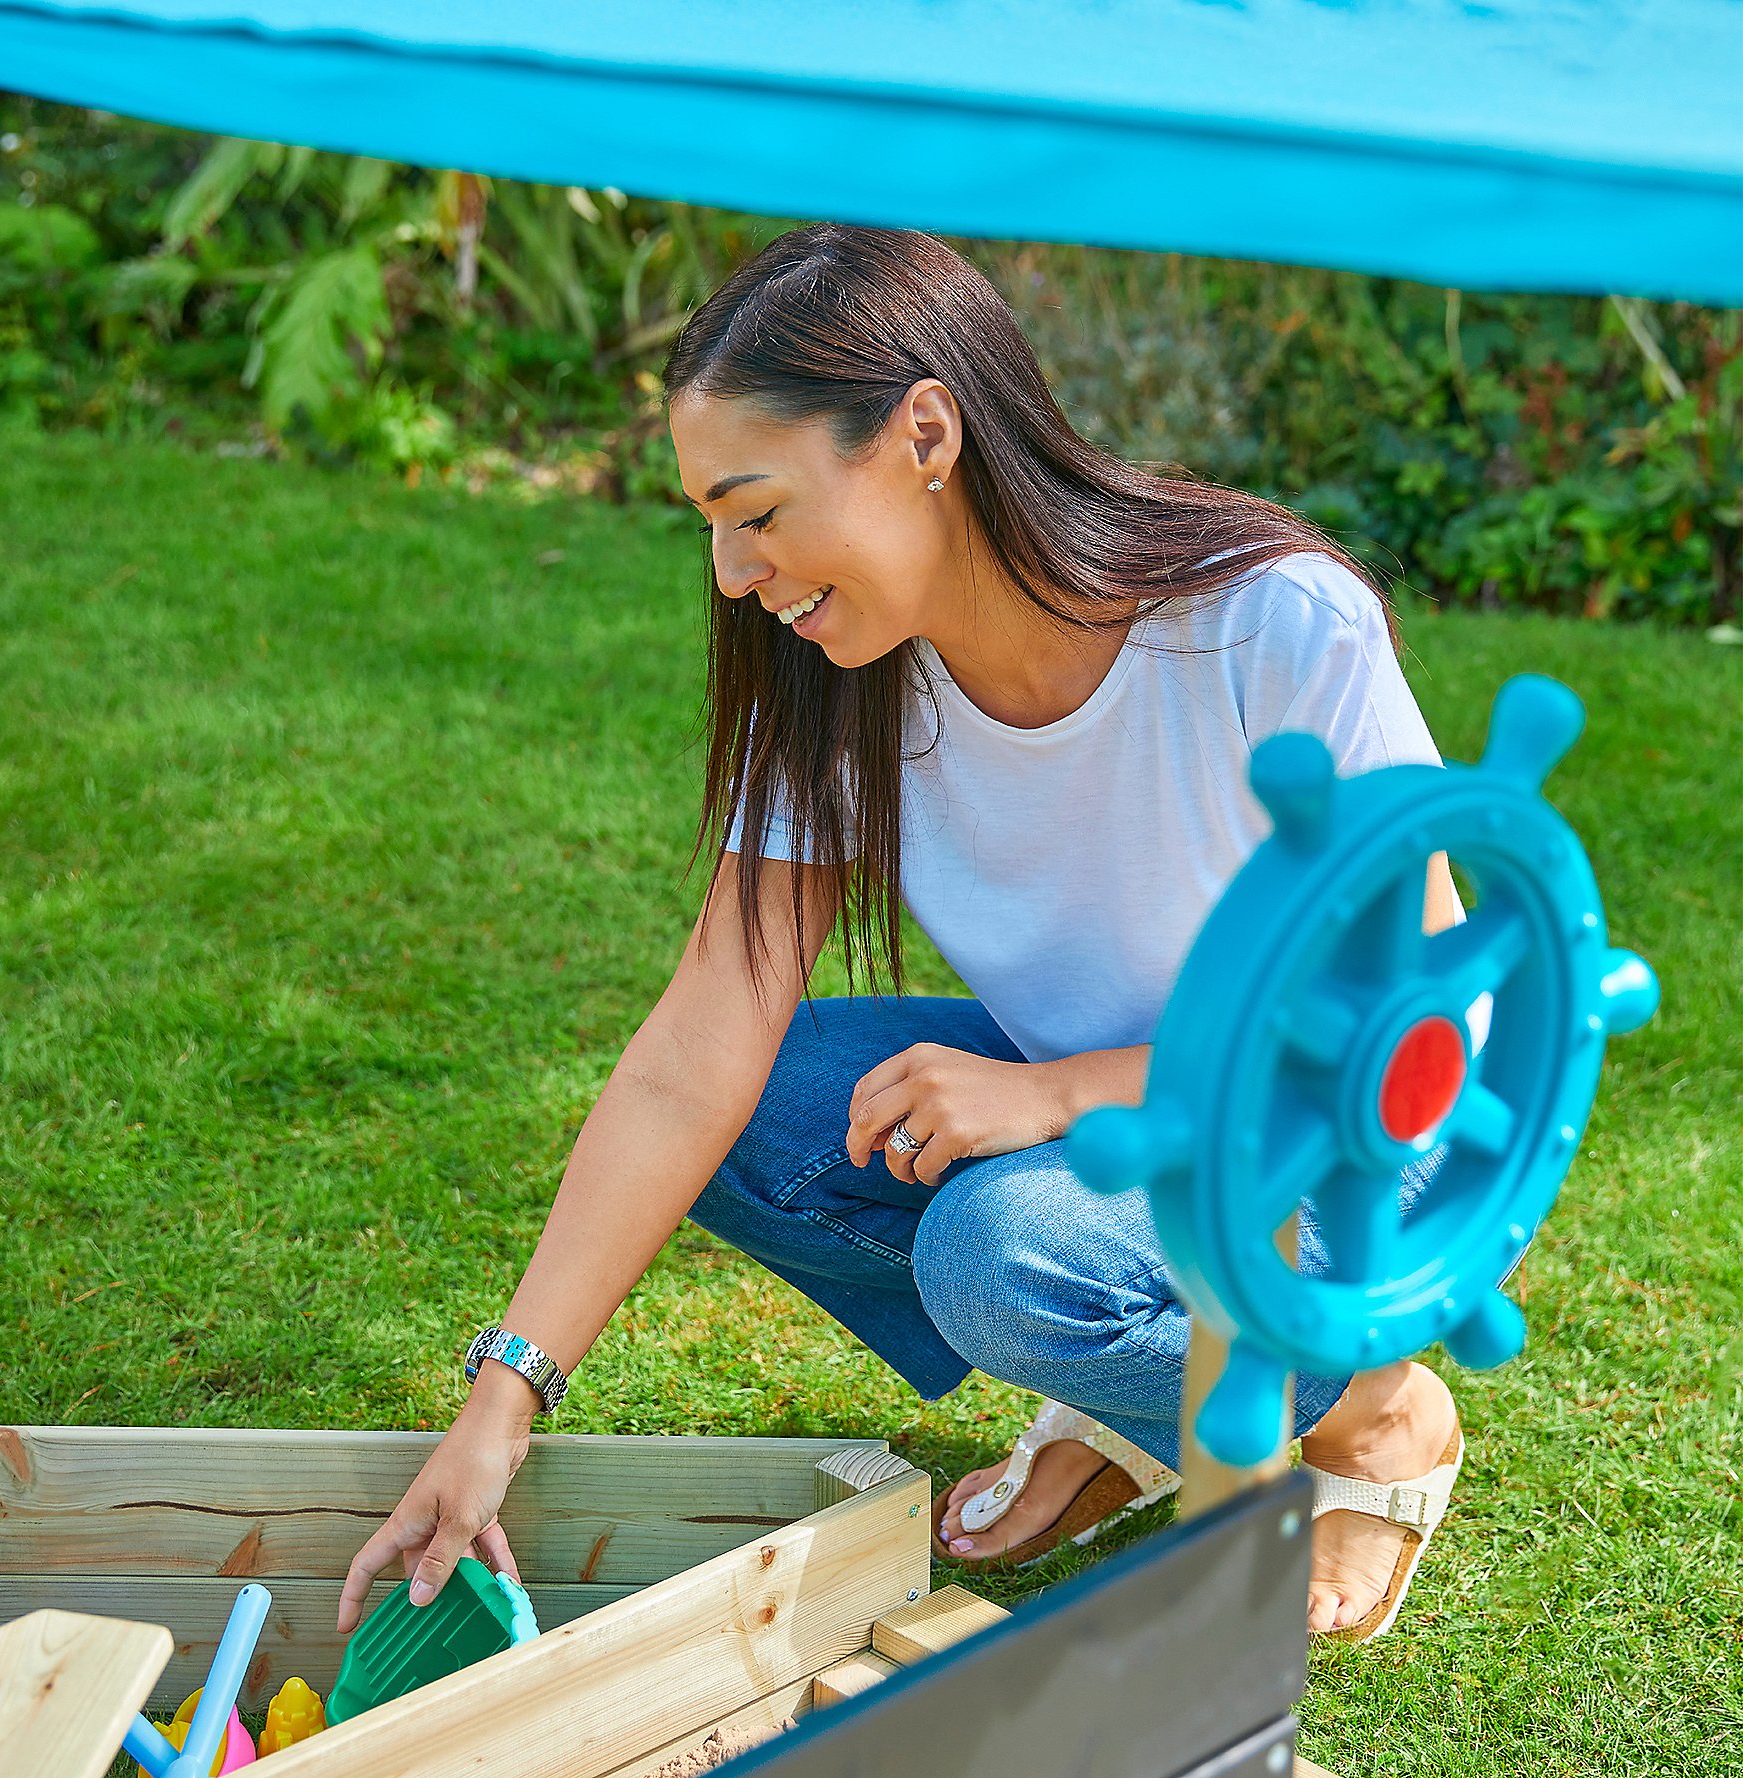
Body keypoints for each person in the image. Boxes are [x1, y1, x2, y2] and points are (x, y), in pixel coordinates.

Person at [337, 222, 1475, 1649]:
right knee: (759, 1113)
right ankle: (1141, 1389)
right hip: (1128, 1112)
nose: (738, 572)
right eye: (711, 525)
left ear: (924, 431)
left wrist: (1058, 1092)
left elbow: (1408, 1015)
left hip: (1376, 1134)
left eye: (755, 509)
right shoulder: (844, 692)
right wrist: (503, 1399)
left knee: (1004, 1255)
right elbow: (698, 1047)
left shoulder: (1262, 624)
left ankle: (1375, 1401)